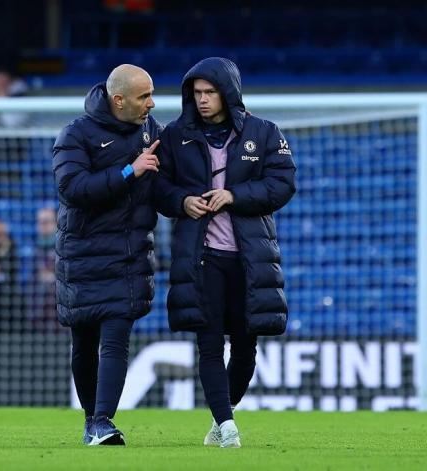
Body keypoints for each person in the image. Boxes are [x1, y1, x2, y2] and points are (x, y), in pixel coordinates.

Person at [154, 57, 296, 447]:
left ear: (227, 92)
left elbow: (283, 185)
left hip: (250, 259)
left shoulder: (264, 133)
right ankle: (228, 425)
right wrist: (182, 201)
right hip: (202, 258)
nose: (201, 100)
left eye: (209, 92)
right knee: (209, 341)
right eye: (196, 93)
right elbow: (158, 188)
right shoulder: (175, 136)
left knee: (247, 347)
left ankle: (222, 419)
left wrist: (233, 195)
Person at [53, 64, 161, 446]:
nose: (152, 103)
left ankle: (102, 421)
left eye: (151, 94)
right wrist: (128, 171)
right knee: (83, 344)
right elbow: (73, 188)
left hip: (129, 257)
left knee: (116, 338)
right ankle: (90, 421)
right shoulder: (75, 135)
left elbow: (161, 185)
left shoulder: (151, 130)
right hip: (82, 256)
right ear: (118, 100)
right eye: (143, 96)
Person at [28, 206, 61, 332]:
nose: (42, 226)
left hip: (59, 318)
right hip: (38, 316)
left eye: (46, 222)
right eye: (40, 222)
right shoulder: (35, 251)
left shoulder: (65, 248)